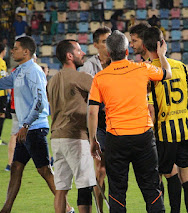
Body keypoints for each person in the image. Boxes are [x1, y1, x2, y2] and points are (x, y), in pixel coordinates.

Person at [0, 36, 74, 213]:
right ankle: (6, 209)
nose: (12, 51)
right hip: (26, 129)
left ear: (26, 52)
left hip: (34, 128)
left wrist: (26, 125)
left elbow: (40, 102)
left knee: (44, 170)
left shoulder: (34, 71)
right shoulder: (19, 71)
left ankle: (68, 209)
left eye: (15, 48)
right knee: (16, 168)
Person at [88, 30, 172, 212]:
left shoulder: (100, 77)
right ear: (127, 52)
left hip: (116, 138)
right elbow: (167, 73)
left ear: (109, 54)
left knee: (117, 191)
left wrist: (93, 139)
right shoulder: (142, 68)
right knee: (151, 188)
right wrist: (162, 55)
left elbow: (93, 113)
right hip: (143, 136)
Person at [144, 27, 188, 213]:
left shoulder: (149, 72)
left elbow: (150, 108)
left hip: (164, 133)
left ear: (145, 46)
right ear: (163, 44)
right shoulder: (181, 66)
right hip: (184, 130)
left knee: (169, 174)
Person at [47, 39, 96, 213]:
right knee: (85, 185)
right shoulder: (82, 77)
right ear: (70, 56)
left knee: (61, 188)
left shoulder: (52, 81)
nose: (82, 53)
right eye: (79, 50)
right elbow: (102, 97)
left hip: (56, 137)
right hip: (76, 136)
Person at [79, 26, 111, 213]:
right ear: (96, 45)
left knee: (115, 171)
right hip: (99, 121)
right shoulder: (89, 66)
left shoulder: (120, 61)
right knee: (100, 171)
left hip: (117, 119)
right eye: (104, 41)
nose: (108, 44)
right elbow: (90, 93)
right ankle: (100, 209)